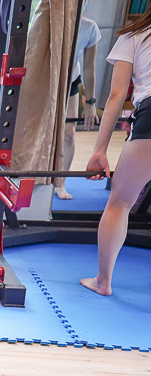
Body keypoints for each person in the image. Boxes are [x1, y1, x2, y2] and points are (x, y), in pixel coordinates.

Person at [81, 8, 151, 296]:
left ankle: (103, 282)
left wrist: (99, 150)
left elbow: (116, 95)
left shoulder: (134, 36)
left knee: (119, 203)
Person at [54, 3, 101, 200]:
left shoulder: (89, 28)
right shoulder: (51, 21)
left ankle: (60, 183)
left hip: (71, 81)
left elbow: (90, 68)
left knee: (69, 134)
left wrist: (90, 103)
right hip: (46, 80)